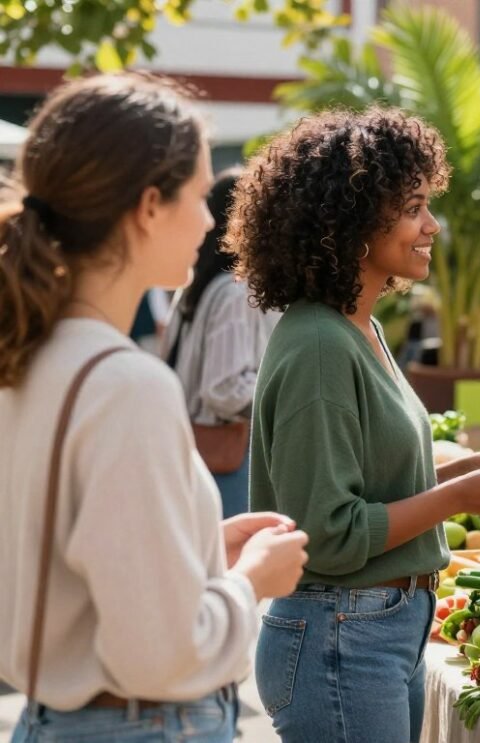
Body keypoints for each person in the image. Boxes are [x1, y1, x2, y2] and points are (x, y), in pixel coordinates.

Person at [0, 73, 308, 742]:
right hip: (143, 724)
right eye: (201, 195)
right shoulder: (126, 385)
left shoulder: (27, 359)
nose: (209, 220)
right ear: (147, 206)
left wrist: (200, 551)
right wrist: (251, 581)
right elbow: (163, 654)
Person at [226, 107, 480, 743]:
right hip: (343, 635)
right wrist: (457, 497)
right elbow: (326, 531)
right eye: (413, 207)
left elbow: (364, 479)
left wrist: (467, 470)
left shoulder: (358, 326)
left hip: (376, 629)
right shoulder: (320, 343)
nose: (432, 225)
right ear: (351, 222)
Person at [160, 167, 280, 518]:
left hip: (190, 445)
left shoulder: (197, 284)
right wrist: (288, 396)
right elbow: (224, 388)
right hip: (225, 455)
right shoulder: (236, 290)